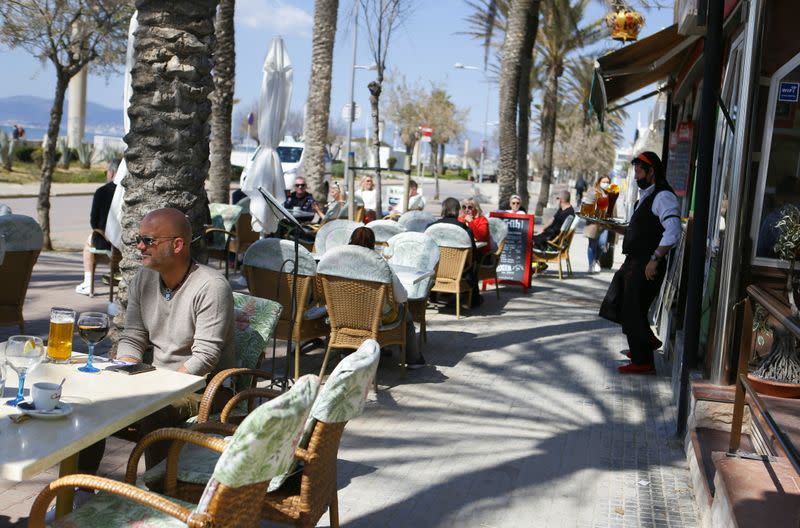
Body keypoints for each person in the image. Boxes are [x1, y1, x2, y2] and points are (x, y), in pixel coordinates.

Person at [79, 207, 236, 473]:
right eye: (139, 239)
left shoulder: (211, 286)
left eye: (149, 241)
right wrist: (127, 367)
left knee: (155, 411)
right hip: (158, 379)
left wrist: (160, 389)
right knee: (92, 399)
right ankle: (80, 493)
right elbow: (133, 335)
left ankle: (157, 489)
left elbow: (205, 357)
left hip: (204, 388)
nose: (140, 246)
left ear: (177, 245)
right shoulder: (144, 278)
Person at [601, 152, 681, 375]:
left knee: (633, 307)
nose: (635, 176)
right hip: (635, 261)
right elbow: (637, 230)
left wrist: (655, 259)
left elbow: (673, 231)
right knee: (623, 303)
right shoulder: (645, 197)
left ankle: (644, 357)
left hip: (648, 263)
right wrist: (612, 227)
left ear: (651, 171)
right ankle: (642, 345)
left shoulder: (663, 197)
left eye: (638, 171)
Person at [348, 227, 426, 368]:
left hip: (344, 316)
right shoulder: (380, 265)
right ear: (372, 244)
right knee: (406, 315)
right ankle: (413, 359)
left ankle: (346, 349)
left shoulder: (337, 262)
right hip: (377, 319)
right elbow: (402, 297)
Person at [75, 160, 119, 295]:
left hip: (106, 245)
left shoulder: (102, 191)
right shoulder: (131, 191)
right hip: (128, 244)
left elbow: (94, 223)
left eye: (106, 172)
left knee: (89, 243)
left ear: (111, 172)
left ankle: (88, 283)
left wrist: (108, 237)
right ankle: (117, 273)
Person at [431, 197, 482, 307]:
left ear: (443, 210)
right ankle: (473, 300)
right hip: (458, 271)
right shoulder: (464, 230)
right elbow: (472, 254)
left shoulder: (432, 227)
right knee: (475, 264)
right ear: (458, 210)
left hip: (435, 270)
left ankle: (433, 296)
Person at [584, 175, 612, 273]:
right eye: (604, 182)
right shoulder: (593, 192)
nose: (606, 184)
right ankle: (590, 264)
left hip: (605, 224)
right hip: (593, 223)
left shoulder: (610, 193)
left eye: (608, 182)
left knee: (602, 244)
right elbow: (587, 206)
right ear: (599, 182)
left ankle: (596, 260)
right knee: (592, 245)